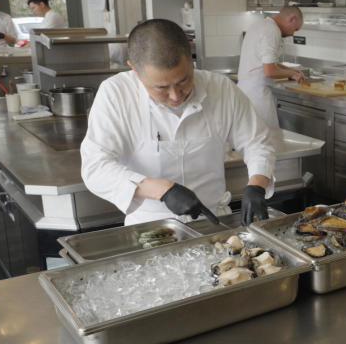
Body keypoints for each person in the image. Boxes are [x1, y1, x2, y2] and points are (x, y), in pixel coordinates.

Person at [81, 19, 275, 227]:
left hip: (214, 223)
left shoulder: (221, 88)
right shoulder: (116, 94)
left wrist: (256, 185)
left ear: (189, 52)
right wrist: (164, 190)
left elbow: (257, 143)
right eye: (161, 87)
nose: (175, 96)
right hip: (149, 227)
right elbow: (96, 167)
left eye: (183, 80)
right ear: (135, 71)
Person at [237, 6, 306, 127]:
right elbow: (269, 71)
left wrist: (291, 70)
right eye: (295, 29)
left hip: (244, 92)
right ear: (291, 19)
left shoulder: (260, 24)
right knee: (267, 140)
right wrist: (292, 74)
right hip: (257, 96)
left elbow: (266, 62)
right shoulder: (272, 30)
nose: (292, 34)